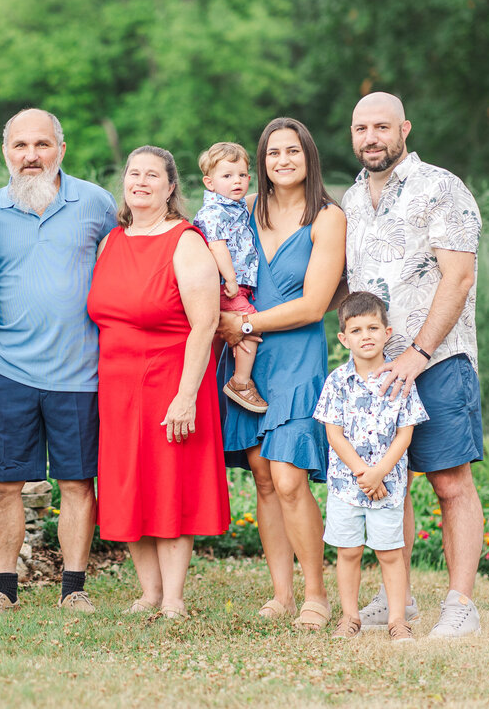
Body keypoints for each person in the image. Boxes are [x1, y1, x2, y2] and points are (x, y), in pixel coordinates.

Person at [343, 91, 484, 639]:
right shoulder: (352, 200)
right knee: (389, 483)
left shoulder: (440, 188)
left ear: (405, 129)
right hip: (376, 370)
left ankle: (460, 603)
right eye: (361, 129)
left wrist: (418, 352)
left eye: (381, 126)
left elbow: (459, 277)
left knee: (450, 482)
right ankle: (397, 597)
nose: (370, 137)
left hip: (439, 359)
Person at [0, 108, 117, 615]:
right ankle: (4, 589)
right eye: (19, 146)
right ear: (5, 152)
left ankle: (74, 588)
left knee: (78, 482)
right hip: (8, 369)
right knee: (4, 484)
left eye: (41, 145)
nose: (30, 156)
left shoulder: (97, 204)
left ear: (61, 149)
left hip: (81, 370)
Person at [216, 117, 346, 630]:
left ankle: (317, 594)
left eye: (293, 151)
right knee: (265, 481)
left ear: (308, 157)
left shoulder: (328, 218)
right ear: (262, 162)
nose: (283, 161)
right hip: (248, 360)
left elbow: (314, 305)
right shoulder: (245, 210)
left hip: (296, 358)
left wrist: (241, 321)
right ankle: (281, 594)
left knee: (291, 478)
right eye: (273, 153)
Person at [88, 146, 228, 620]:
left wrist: (186, 396)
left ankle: (173, 599)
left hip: (171, 380)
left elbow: (206, 324)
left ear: (171, 188)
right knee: (128, 486)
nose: (141, 182)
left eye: (153, 175)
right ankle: (148, 591)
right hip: (117, 386)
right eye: (134, 173)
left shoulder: (186, 241)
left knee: (169, 486)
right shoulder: (112, 242)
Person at [314, 292, 428, 642]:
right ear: (343, 338)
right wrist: (365, 473)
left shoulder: (400, 380)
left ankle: (397, 620)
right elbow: (334, 433)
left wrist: (380, 473)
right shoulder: (337, 381)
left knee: (390, 553)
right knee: (347, 552)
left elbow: (404, 435)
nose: (366, 336)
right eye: (357, 329)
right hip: (347, 487)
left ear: (387, 332)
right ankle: (350, 618)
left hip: (387, 486)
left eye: (373, 328)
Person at [194, 141, 266, 413]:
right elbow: (217, 245)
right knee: (249, 326)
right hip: (226, 288)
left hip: (236, 287)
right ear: (209, 183)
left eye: (242, 175)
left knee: (239, 329)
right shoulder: (214, 212)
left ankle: (222, 381)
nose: (237, 181)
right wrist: (232, 280)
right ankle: (241, 382)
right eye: (227, 176)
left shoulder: (235, 207)